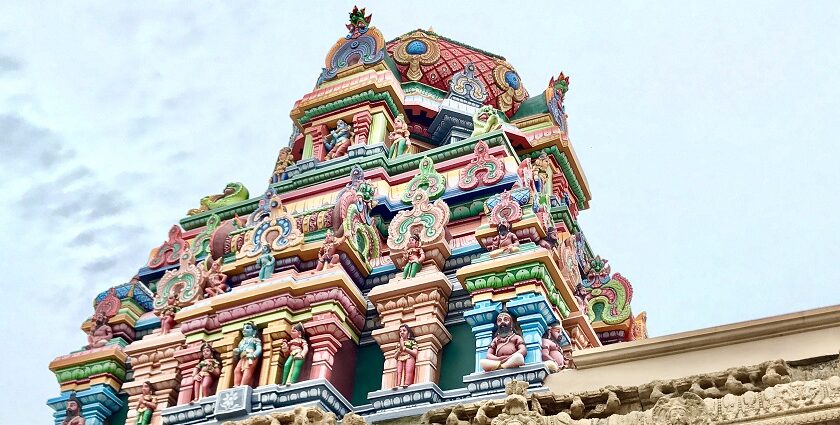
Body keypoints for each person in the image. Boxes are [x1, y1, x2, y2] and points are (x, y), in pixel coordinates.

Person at [233, 322, 262, 387]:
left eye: (248, 328)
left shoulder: (255, 340)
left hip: (250, 356)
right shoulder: (242, 341)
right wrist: (237, 351)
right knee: (237, 370)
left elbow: (259, 348)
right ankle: (236, 385)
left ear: (254, 331)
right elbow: (240, 349)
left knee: (247, 370)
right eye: (244, 328)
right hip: (243, 357)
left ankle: (243, 385)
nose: (244, 330)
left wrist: (254, 355)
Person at [394, 324, 418, 389]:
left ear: (408, 333)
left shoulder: (412, 342)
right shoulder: (398, 344)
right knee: (399, 372)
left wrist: (405, 349)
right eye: (400, 331)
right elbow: (395, 356)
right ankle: (398, 384)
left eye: (404, 330)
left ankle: (407, 383)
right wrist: (400, 350)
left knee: (408, 370)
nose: (402, 332)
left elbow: (415, 353)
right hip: (400, 358)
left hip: (409, 357)